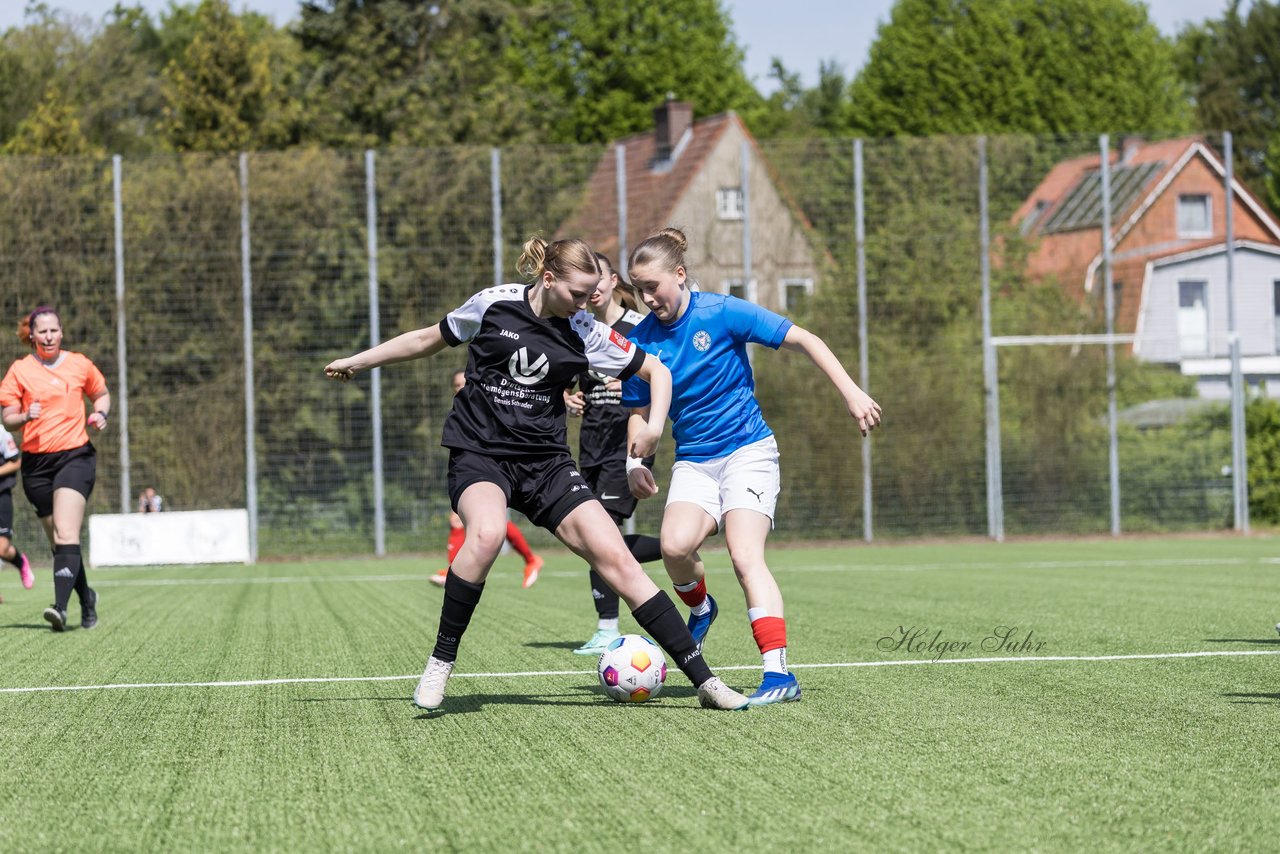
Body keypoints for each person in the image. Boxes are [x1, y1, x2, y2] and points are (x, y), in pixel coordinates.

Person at [324, 236, 751, 712]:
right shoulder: (493, 305)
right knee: (484, 537)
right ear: (548, 279)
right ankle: (440, 663)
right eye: (577, 293)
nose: (587, 302)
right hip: (480, 453)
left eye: (593, 293)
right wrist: (358, 361)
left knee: (620, 561)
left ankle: (707, 684)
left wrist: (652, 429)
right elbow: (427, 338)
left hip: (546, 464)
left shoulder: (586, 331)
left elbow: (658, 372)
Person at [622, 228, 882, 706]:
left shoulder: (721, 312)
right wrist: (633, 462)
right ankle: (701, 608)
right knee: (676, 548)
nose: (645, 297)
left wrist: (852, 391)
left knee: (745, 556)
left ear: (679, 275)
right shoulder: (641, 340)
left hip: (748, 452)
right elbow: (638, 410)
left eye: (652, 286)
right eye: (638, 288)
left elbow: (803, 338)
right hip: (695, 461)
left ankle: (778, 673)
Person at [564, 252, 682, 656]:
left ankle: (608, 627)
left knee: (603, 533)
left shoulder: (637, 328)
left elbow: (659, 377)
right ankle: (675, 548)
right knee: (593, 535)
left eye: (598, 279)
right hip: (592, 445)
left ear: (614, 280)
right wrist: (570, 399)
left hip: (626, 446)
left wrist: (633, 387)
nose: (592, 288)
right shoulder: (579, 329)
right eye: (586, 281)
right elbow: (573, 380)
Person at [0, 305, 110, 631]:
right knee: (60, 543)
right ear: (31, 336)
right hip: (36, 465)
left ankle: (59, 609)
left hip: (75, 456)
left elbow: (101, 394)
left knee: (66, 532)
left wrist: (101, 414)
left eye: (54, 330)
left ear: (61, 333)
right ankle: (86, 599)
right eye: (42, 331)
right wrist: (24, 416)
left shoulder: (79, 364)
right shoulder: (19, 371)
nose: (48, 336)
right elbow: (8, 418)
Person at [429, 369, 543, 589]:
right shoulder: (459, 412)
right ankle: (529, 560)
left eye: (465, 383)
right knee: (480, 522)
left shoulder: (490, 406)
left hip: (496, 471)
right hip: (471, 472)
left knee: (483, 522)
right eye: (456, 385)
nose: (461, 388)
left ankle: (529, 560)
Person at [0, 425, 34, 601]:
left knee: (2, 548)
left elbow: (16, 462)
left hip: (1, 495)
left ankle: (21, 562)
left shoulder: (0, 432)